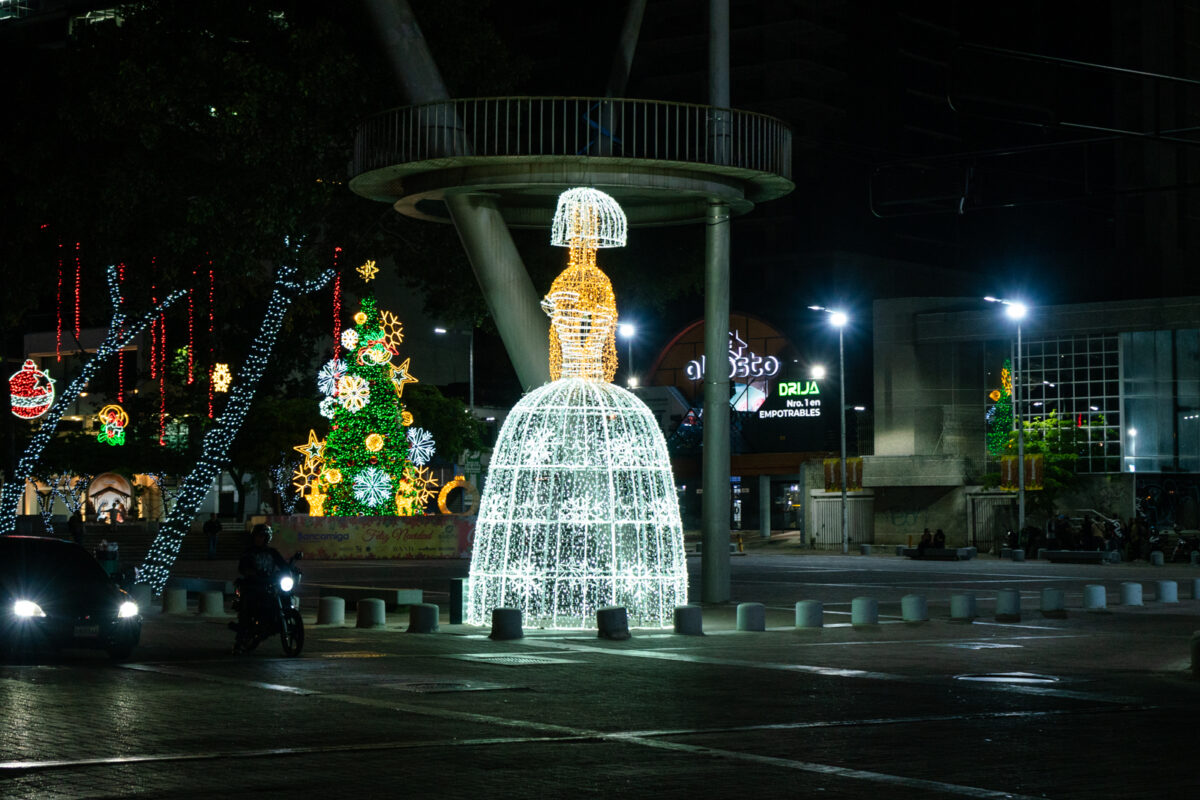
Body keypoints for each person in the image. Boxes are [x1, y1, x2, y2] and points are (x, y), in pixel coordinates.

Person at [233, 524, 288, 643]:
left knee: (285, 595)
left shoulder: (272, 552)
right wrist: (250, 572)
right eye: (257, 536)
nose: (259, 539)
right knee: (248, 606)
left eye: (262, 536)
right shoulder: (249, 552)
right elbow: (242, 567)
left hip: (269, 583)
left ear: (267, 538)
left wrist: (291, 569)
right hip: (253, 584)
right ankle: (240, 639)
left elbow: (282, 564)